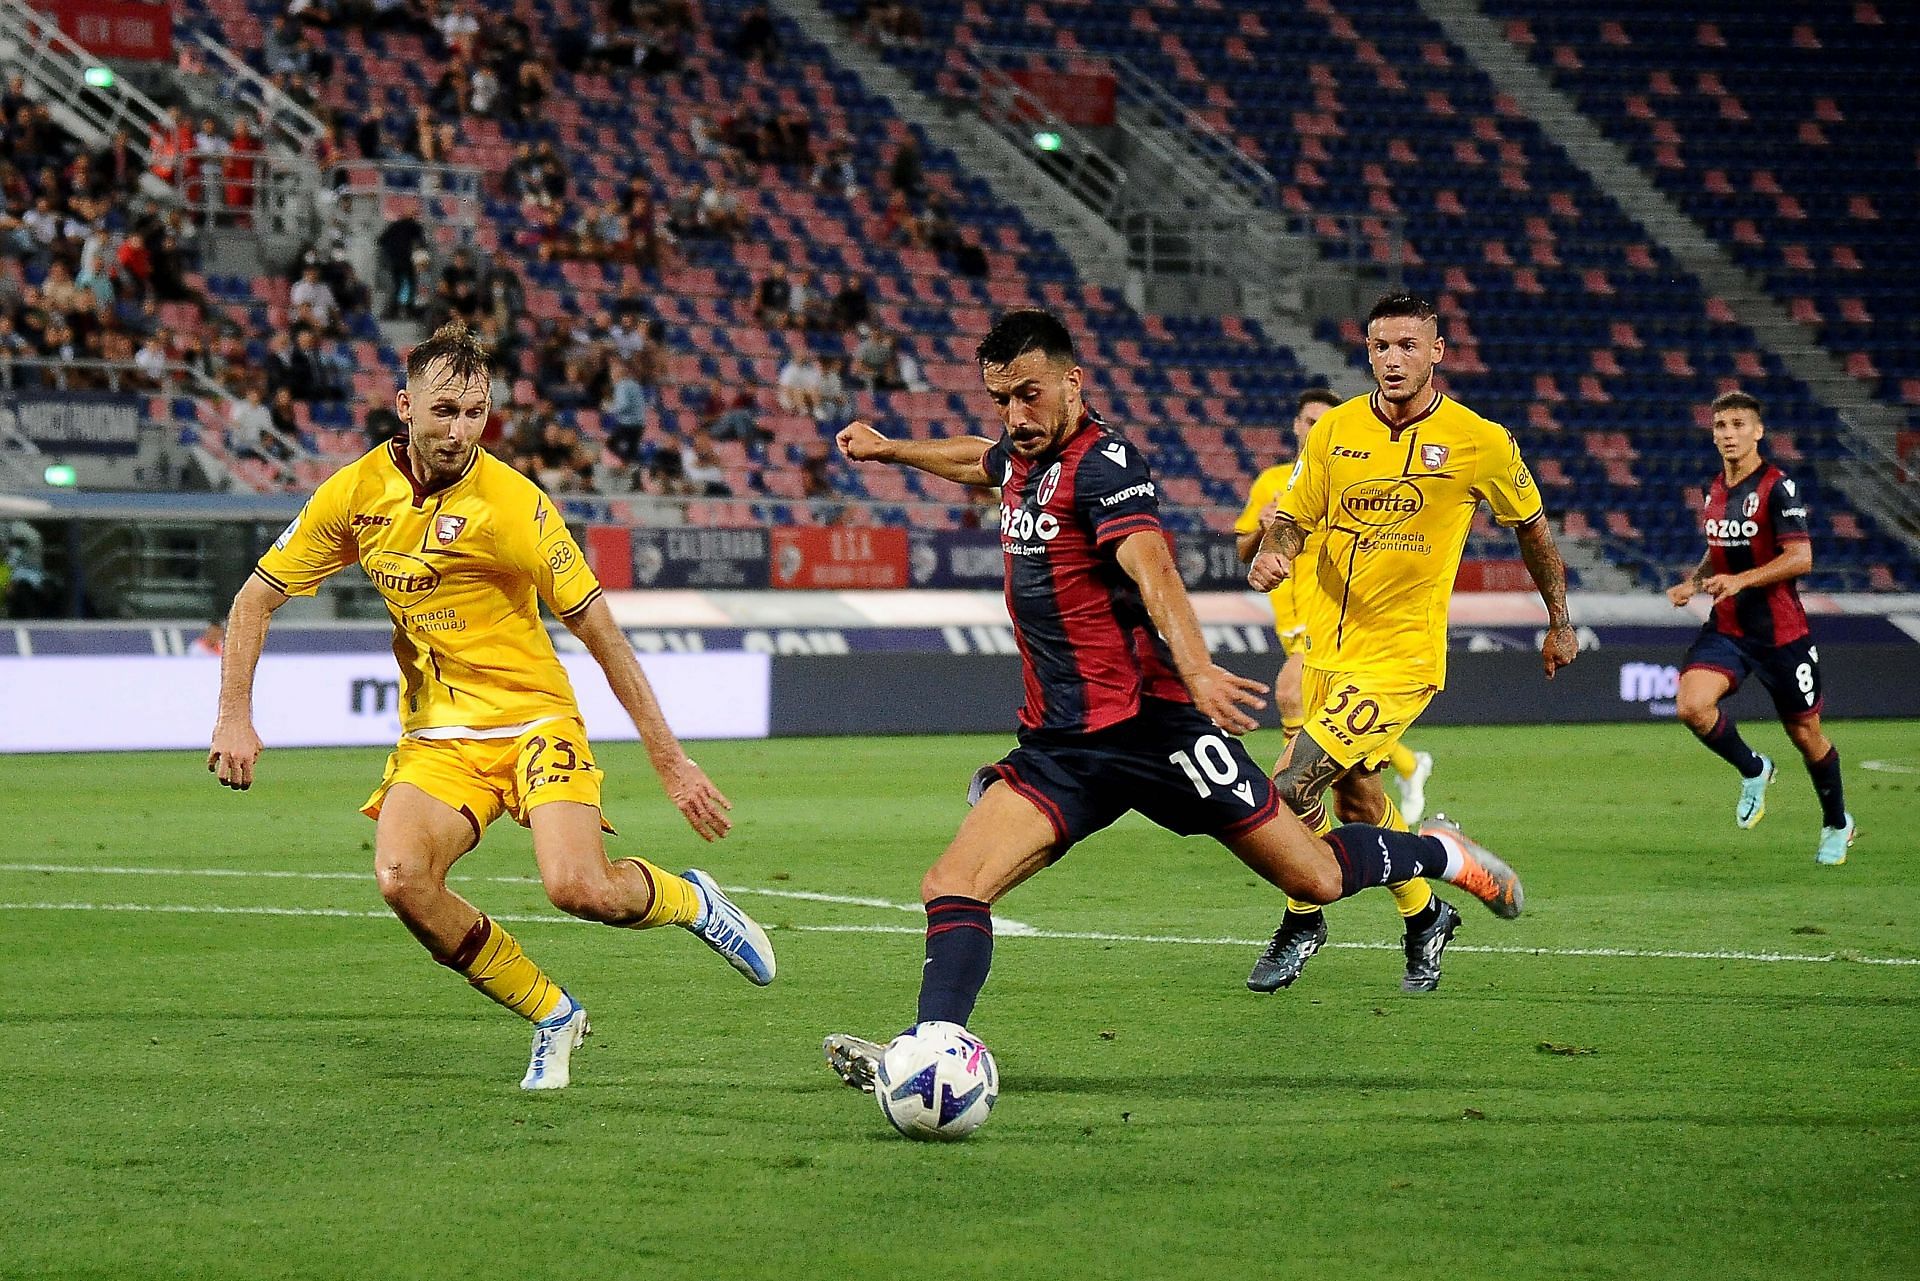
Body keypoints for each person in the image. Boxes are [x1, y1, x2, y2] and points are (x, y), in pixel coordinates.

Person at [819, 309, 1525, 1096]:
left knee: (1318, 875)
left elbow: (1155, 571)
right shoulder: (1024, 455)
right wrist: (891, 450)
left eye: (1028, 394)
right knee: (951, 883)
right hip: (1062, 749)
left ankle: (1442, 854)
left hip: (1157, 732)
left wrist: (1196, 673)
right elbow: (975, 461)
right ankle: (936, 1050)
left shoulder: (1107, 462)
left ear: (1071, 383)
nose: (1015, 416)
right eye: (1000, 400)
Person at [206, 320, 774, 1092]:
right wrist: (233, 714)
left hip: (536, 718)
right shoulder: (355, 494)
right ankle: (552, 1013)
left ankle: (690, 902)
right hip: (440, 736)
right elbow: (254, 598)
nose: (459, 429)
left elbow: (603, 634)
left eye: (475, 413)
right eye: (444, 410)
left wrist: (670, 761)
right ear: (404, 405)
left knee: (579, 887)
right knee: (403, 876)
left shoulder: (514, 504)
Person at [1244, 292, 1577, 994]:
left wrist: (1559, 618)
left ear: (1437, 352)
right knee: (1358, 800)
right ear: (1367, 353)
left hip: (1400, 657)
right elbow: (1294, 519)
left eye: (1407, 345)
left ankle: (1306, 915)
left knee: (1287, 788)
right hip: (1327, 658)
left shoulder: (1478, 439)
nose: (1393, 359)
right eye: (1380, 347)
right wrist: (1274, 550)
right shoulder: (1334, 431)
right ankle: (1426, 912)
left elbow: (1533, 526)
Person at [1666, 390, 1854, 864]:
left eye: (1738, 425)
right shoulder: (1715, 490)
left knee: (1807, 736)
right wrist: (1695, 581)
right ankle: (1754, 768)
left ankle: (1836, 822)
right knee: (1692, 705)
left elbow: (1801, 558)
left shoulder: (1777, 488)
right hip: (1728, 629)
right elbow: (1720, 547)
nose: (1728, 434)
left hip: (1781, 636)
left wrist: (1739, 580)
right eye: (1721, 426)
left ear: (1758, 431)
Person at [1236, 388, 1436, 822]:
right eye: (1309, 422)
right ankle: (1407, 775)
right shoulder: (1272, 482)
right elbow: (1243, 550)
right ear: (1296, 425)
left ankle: (1306, 839)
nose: (1315, 430)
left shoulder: (1357, 481)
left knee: (1291, 695)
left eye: (1324, 423)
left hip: (1335, 622)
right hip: (1290, 621)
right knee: (1359, 797)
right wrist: (1266, 533)